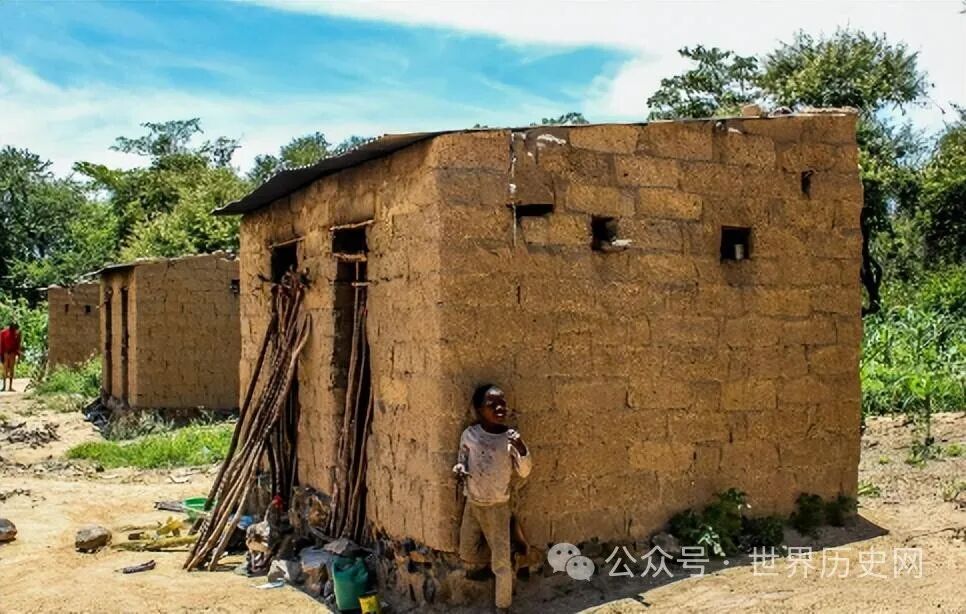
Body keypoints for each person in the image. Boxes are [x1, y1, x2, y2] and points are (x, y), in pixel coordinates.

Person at [453, 384, 532, 612]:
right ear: (480, 410)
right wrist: (460, 468)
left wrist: (521, 447)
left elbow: (524, 471)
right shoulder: (470, 435)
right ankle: (508, 551)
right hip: (473, 503)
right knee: (467, 550)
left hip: (497, 507)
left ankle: (502, 606)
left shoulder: (509, 439)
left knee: (501, 565)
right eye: (492, 405)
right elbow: (462, 458)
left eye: (502, 403)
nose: (500, 408)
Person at [0, 322, 21, 392]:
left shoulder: (17, 333)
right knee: (5, 369)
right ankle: (4, 386)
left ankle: (10, 386)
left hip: (12, 353)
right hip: (6, 353)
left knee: (11, 369)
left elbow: (18, 344)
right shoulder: (3, 333)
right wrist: (1, 354)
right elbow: (1, 344)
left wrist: (18, 354)